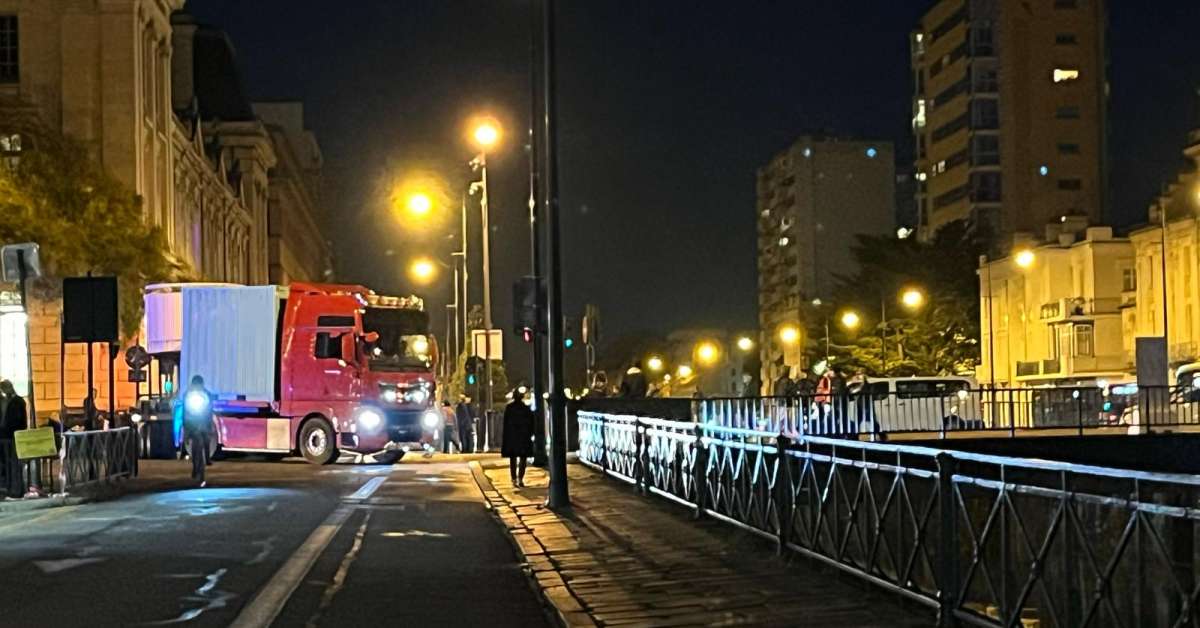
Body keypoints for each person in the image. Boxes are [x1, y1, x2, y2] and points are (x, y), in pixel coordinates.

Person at [182, 375, 214, 487]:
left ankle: (207, 457)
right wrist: (185, 430)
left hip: (203, 421)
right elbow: (184, 413)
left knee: (206, 437)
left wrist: (208, 426)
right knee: (191, 441)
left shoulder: (206, 394)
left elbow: (209, 412)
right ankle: (195, 466)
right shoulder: (188, 395)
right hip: (191, 421)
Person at [501, 386, 535, 487]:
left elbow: (506, 424)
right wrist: (531, 433)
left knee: (513, 458)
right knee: (523, 458)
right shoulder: (526, 409)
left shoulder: (509, 408)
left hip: (512, 436)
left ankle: (514, 478)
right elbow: (531, 423)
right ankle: (520, 478)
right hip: (523, 436)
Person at [0, 380, 28, 497]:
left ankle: (16, 489)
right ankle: (5, 487)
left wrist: (20, 434)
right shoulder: (2, 401)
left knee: (14, 463)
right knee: (3, 463)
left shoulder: (19, 401)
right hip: (2, 436)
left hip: (13, 436)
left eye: (6, 387)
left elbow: (23, 421)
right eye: (3, 388)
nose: (5, 390)